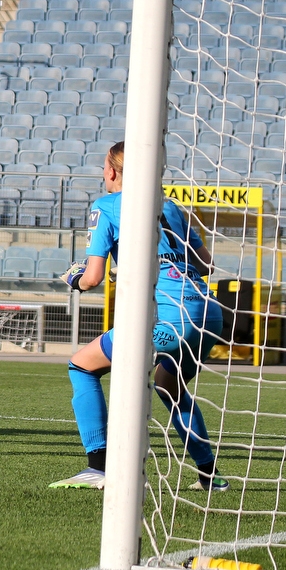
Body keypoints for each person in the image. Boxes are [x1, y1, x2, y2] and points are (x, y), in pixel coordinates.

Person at [51, 141, 228, 491]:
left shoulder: (107, 206)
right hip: (208, 315)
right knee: (169, 386)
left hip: (169, 319)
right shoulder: (171, 206)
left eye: (104, 166)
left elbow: (93, 277)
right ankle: (210, 476)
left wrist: (74, 278)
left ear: (113, 171)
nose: (103, 173)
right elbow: (205, 263)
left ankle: (99, 468)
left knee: (82, 366)